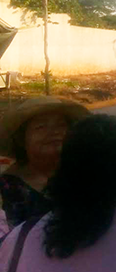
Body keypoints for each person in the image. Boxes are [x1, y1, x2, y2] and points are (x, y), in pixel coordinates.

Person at [0, 114, 116, 272]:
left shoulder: (20, 238)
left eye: (59, 127)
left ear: (64, 162)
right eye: (41, 128)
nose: (52, 133)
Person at [0, 96, 89, 229]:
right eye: (41, 127)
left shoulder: (85, 173)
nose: (54, 132)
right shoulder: (8, 187)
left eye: (61, 125)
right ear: (21, 139)